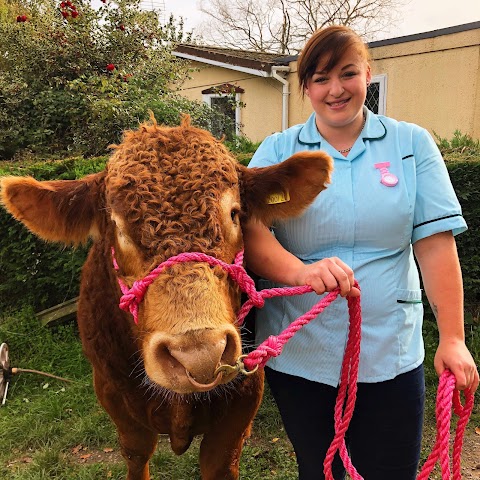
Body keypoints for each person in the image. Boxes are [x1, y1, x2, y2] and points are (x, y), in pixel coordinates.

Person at [243, 25, 479, 480]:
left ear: (367, 75)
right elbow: (251, 233)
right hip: (301, 354)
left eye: (347, 74)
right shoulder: (278, 151)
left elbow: (435, 245)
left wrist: (452, 337)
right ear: (306, 87)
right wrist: (299, 272)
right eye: (320, 78)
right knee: (319, 469)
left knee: (393, 469)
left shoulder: (411, 145)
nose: (336, 90)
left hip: (390, 352)